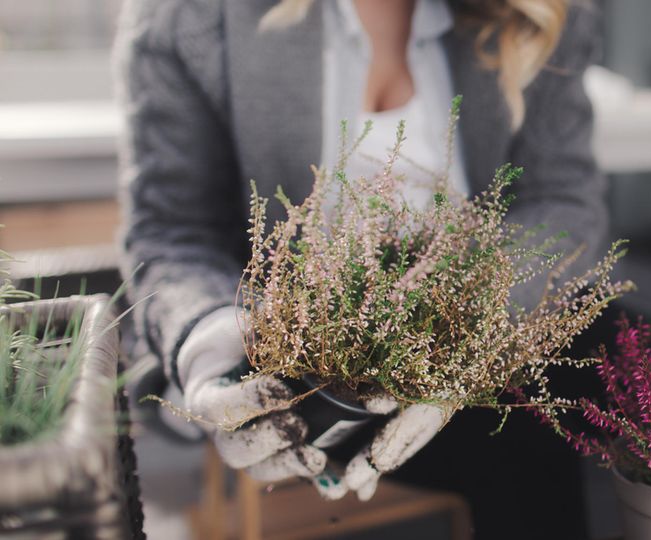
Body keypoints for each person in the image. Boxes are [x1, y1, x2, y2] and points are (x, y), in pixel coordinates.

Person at [116, 0, 606, 537]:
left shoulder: (539, 13)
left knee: (617, 384)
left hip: (492, 348)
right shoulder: (192, 18)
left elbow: (562, 203)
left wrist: (465, 341)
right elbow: (173, 232)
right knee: (530, 444)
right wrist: (211, 340)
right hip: (308, 377)